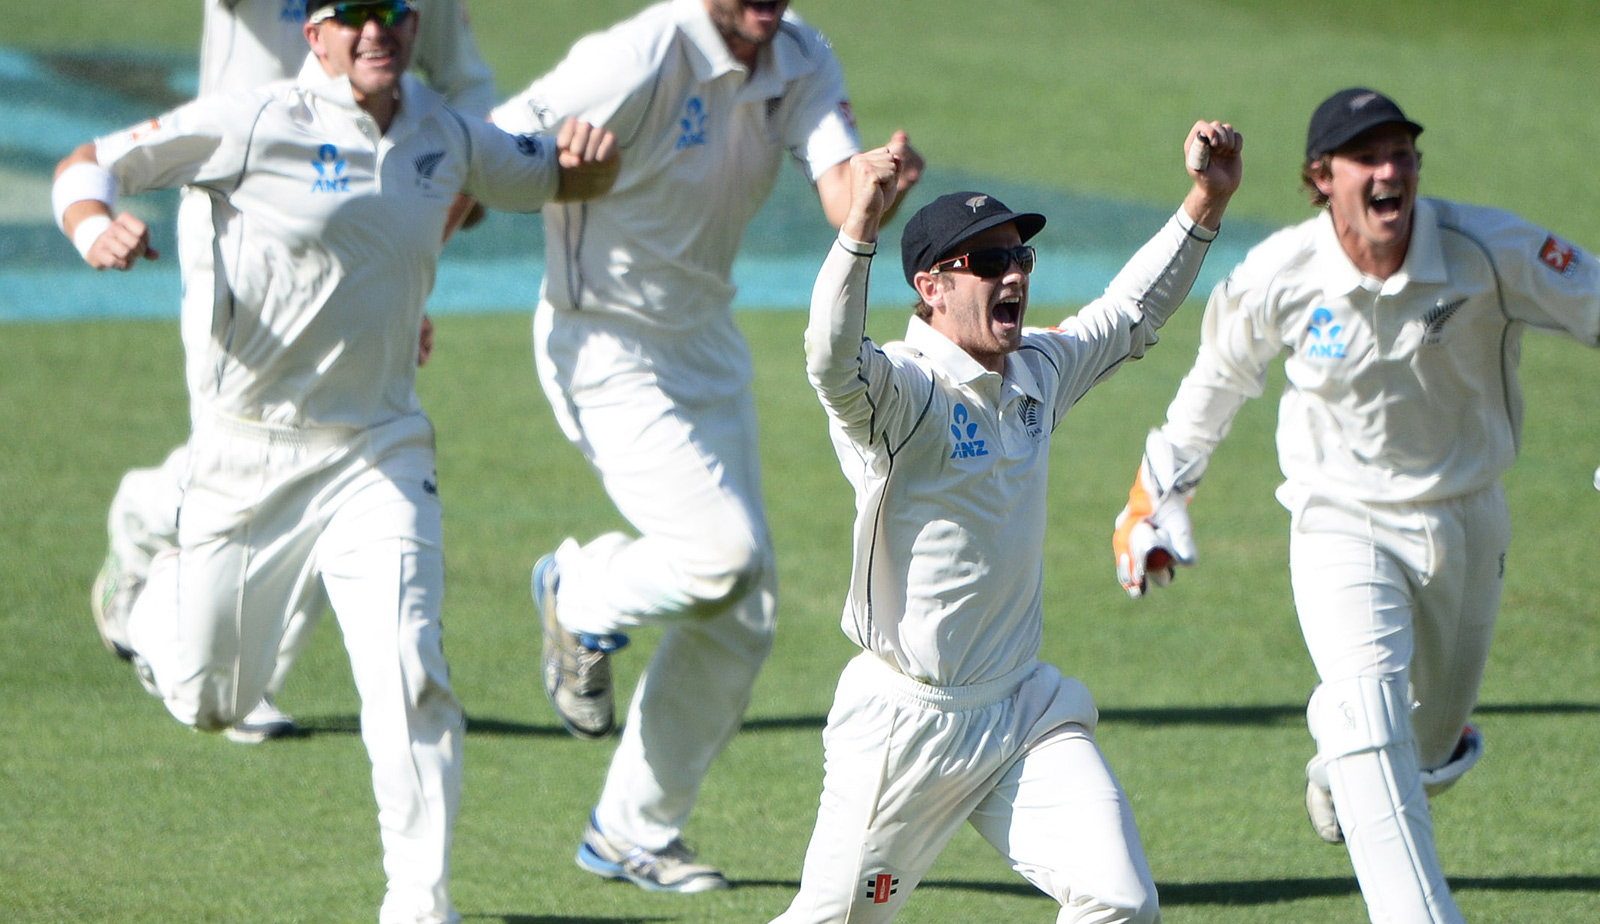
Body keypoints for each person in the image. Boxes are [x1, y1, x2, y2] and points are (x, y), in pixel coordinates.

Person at [54, 1, 619, 920]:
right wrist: (92, 227)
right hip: (248, 455)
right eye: (351, 15)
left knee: (409, 668)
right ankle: (153, 597)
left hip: (379, 451)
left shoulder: (444, 130)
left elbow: (558, 177)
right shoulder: (252, 121)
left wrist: (598, 162)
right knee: (211, 700)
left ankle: (420, 903)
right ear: (313, 34)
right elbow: (91, 162)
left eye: (392, 12)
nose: (375, 31)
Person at [1110, 87, 1600, 924]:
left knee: (1426, 745)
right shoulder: (1283, 272)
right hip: (1339, 520)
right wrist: (1155, 496)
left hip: (1468, 515)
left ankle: (1346, 769)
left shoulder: (1488, 250)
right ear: (1321, 178)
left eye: (1400, 154)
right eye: (1366, 159)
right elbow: (1216, 382)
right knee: (1367, 710)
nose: (1388, 173)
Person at [486, 0, 922, 893]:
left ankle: (629, 831)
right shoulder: (638, 55)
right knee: (721, 558)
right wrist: (552, 168)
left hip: (706, 345)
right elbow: (488, 149)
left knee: (743, 614)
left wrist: (877, 185)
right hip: (603, 343)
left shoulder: (799, 55)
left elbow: (839, 192)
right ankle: (579, 591)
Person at [776, 119, 1241, 923]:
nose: (1014, 274)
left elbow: (1129, 314)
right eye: (989, 263)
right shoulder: (906, 392)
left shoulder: (1036, 372)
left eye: (1019, 256)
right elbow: (829, 361)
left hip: (1023, 709)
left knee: (1120, 902)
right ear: (931, 287)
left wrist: (1207, 200)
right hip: (908, 724)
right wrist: (859, 225)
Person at [91, 0, 498, 744]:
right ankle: (155, 531)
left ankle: (252, 669)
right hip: (242, 214)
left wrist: (410, 272)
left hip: (369, 225)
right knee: (259, 430)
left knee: (349, 435)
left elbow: (467, 93)